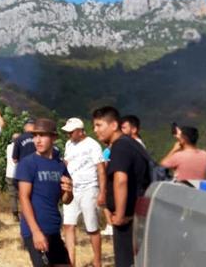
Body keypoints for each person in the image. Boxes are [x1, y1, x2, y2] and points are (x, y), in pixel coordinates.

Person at [92, 106, 148, 267]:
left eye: (99, 125)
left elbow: (120, 180)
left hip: (128, 219)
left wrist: (120, 215)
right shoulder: (132, 144)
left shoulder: (120, 146)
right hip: (138, 215)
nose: (95, 130)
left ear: (114, 125)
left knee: (126, 262)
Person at [16, 118, 73, 267]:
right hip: (35, 229)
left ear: (54, 137)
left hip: (53, 229)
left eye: (43, 135)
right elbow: (23, 198)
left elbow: (66, 200)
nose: (38, 140)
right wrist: (35, 232)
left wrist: (69, 191)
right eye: (35, 135)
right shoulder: (28, 163)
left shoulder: (59, 164)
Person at [61, 118, 105, 267]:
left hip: (89, 188)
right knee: (68, 224)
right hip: (72, 189)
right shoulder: (68, 144)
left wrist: (102, 192)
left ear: (80, 131)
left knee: (91, 227)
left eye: (71, 132)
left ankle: (97, 262)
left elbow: (101, 168)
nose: (69, 135)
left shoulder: (92, 145)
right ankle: (70, 262)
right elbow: (67, 164)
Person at [6, 132, 21, 221]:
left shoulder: (8, 147)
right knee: (23, 194)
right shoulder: (20, 147)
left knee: (13, 195)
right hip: (19, 173)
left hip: (9, 173)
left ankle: (15, 214)